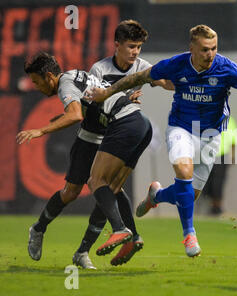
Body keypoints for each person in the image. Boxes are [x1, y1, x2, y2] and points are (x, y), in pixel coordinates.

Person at [87, 24, 237, 258]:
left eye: (214, 48)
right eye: (205, 49)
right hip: (181, 128)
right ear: (192, 49)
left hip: (211, 136)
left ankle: (156, 196)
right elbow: (138, 77)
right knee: (183, 170)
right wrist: (105, 94)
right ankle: (189, 234)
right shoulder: (176, 64)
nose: (211, 54)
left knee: (189, 194)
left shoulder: (227, 69)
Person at [21, 21, 172, 269]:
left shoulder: (68, 82)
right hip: (95, 135)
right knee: (74, 192)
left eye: (37, 83)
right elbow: (88, 104)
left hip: (119, 128)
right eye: (131, 46)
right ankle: (38, 229)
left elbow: (76, 113)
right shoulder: (98, 69)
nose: (135, 52)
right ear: (117, 45)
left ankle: (90, 248)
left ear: (49, 76)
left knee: (106, 187)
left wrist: (40, 130)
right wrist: (122, 98)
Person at [202, 115, 237, 215]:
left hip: (221, 155)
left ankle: (217, 206)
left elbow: (233, 139)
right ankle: (212, 205)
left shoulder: (229, 120)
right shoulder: (207, 116)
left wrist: (233, 156)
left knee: (218, 183)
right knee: (207, 183)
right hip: (207, 155)